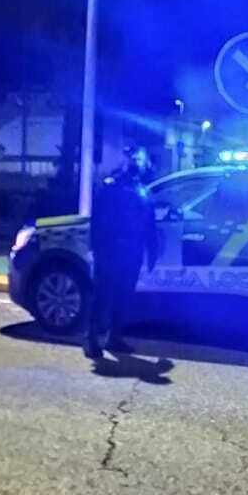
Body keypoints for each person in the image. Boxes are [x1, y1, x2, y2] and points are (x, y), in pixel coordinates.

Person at [84, 145, 160, 360]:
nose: (138, 164)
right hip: (110, 251)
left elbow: (149, 223)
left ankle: (114, 337)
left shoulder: (142, 190)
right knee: (102, 297)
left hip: (131, 253)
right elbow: (97, 220)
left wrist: (152, 251)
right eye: (135, 160)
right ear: (126, 163)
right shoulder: (112, 186)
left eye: (140, 160)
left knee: (123, 297)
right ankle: (91, 339)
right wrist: (95, 249)